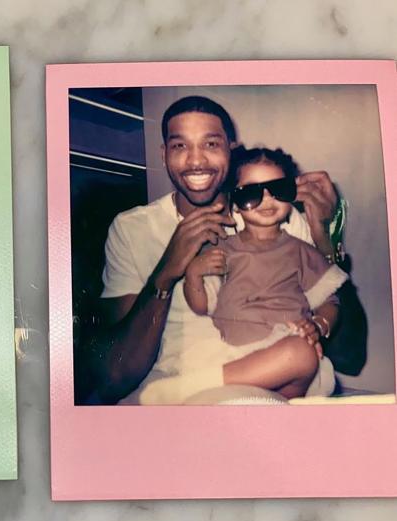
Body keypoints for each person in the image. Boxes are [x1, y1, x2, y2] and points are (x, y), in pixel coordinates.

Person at [82, 95, 362, 405]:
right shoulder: (132, 228)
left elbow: (350, 356)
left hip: (269, 387)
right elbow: (112, 380)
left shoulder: (276, 219)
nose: (196, 161)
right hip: (175, 394)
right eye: (180, 146)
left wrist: (326, 234)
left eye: (211, 144)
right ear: (163, 155)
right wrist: (166, 273)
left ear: (231, 150)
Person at [136, 146, 348, 403]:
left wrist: (318, 325)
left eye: (278, 189)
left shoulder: (302, 251)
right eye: (251, 193)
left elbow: (331, 300)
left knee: (302, 355)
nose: (267, 200)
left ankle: (204, 389)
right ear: (235, 202)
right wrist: (193, 274)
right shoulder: (223, 249)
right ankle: (198, 386)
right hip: (236, 356)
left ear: (291, 194)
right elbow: (202, 305)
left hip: (288, 351)